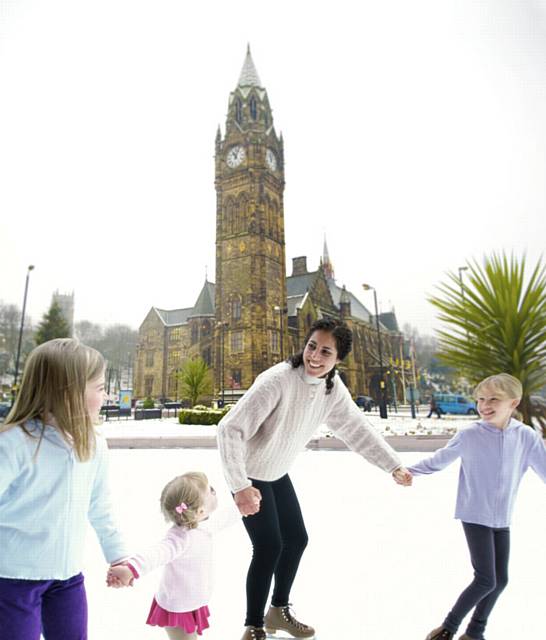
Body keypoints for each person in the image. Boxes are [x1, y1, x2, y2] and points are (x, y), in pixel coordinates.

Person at [217, 318, 412, 640]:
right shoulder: (278, 380)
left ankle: (278, 611)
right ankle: (253, 627)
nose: (315, 356)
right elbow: (230, 429)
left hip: (276, 472)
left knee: (296, 540)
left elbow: (356, 429)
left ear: (338, 359)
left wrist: (392, 465)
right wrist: (240, 487)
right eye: (311, 346)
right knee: (268, 547)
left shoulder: (331, 388)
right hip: (250, 474)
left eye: (325, 351)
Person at [0, 338, 129, 640]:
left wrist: (118, 556)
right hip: (14, 578)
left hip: (67, 577)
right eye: (99, 388)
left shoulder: (93, 444)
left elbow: (100, 505)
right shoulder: (14, 444)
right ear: (68, 392)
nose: (106, 395)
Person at [407, 373, 546, 640]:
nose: (484, 405)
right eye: (481, 399)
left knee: (500, 580)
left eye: (494, 399)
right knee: (485, 579)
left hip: (502, 518)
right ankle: (447, 628)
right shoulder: (470, 434)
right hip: (474, 514)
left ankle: (474, 633)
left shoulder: (526, 436)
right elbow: (439, 460)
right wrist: (409, 471)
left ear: (513, 403)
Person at [107, 471, 237, 639]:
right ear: (199, 511)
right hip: (177, 607)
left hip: (191, 600)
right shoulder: (179, 538)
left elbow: (222, 520)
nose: (214, 492)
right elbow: (156, 554)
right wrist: (131, 568)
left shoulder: (202, 526)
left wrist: (240, 508)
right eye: (210, 490)